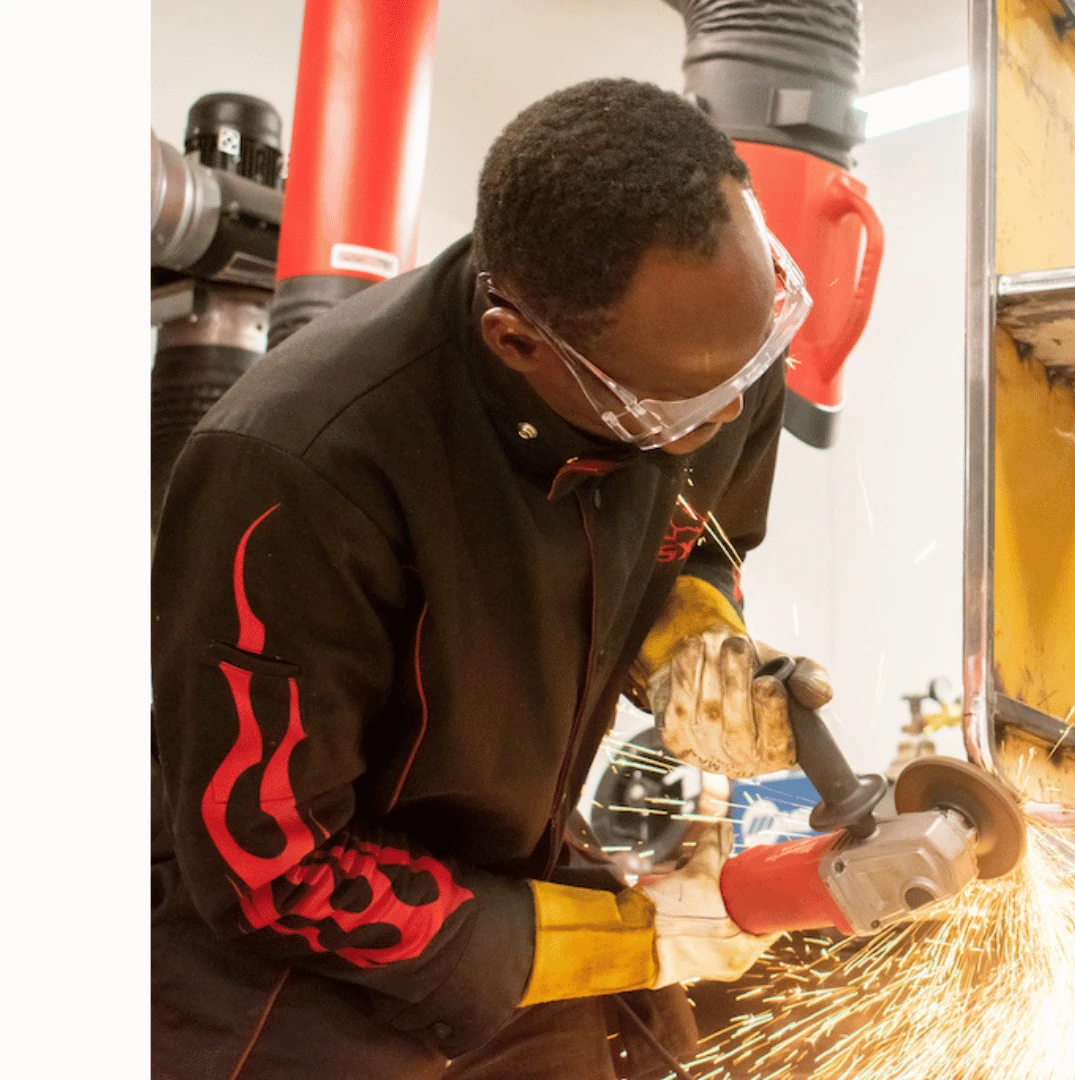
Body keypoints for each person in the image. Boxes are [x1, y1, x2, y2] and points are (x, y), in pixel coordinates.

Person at [151, 77, 831, 1079]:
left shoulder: (714, 355)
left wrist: (695, 645)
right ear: (519, 343)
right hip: (289, 977)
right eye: (679, 407)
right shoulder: (296, 468)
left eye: (749, 362)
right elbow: (275, 873)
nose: (729, 415)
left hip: (519, 870)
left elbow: (692, 540)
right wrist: (630, 939)